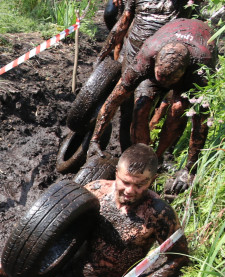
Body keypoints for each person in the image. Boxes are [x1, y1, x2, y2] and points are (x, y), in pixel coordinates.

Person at [0, 144, 187, 277]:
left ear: (152, 180)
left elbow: (178, 258)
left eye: (140, 185)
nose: (130, 191)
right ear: (116, 173)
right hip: (62, 264)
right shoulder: (96, 190)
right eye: (125, 182)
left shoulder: (159, 214)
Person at [88, 18, 217, 194]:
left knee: (178, 109)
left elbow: (200, 124)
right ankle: (142, 155)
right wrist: (95, 139)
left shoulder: (201, 68)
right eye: (160, 78)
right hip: (160, 58)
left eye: (169, 81)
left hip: (192, 64)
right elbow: (115, 98)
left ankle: (157, 158)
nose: (164, 85)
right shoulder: (148, 53)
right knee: (140, 106)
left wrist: (189, 169)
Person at [94, 0, 197, 148]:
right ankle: (128, 156)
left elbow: (194, 24)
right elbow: (124, 22)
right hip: (136, 54)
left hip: (170, 59)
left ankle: (153, 153)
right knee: (129, 109)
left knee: (161, 106)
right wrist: (102, 55)